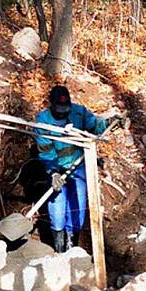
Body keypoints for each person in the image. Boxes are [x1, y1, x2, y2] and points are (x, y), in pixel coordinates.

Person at [35, 85, 122, 252]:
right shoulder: (43, 122)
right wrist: (53, 173)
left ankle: (72, 246)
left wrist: (111, 122)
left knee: (78, 209)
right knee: (57, 210)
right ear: (51, 104)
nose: (62, 112)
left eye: (65, 108)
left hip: (78, 166)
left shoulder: (79, 112)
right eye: (59, 108)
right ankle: (59, 250)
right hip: (57, 169)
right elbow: (46, 152)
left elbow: (95, 126)